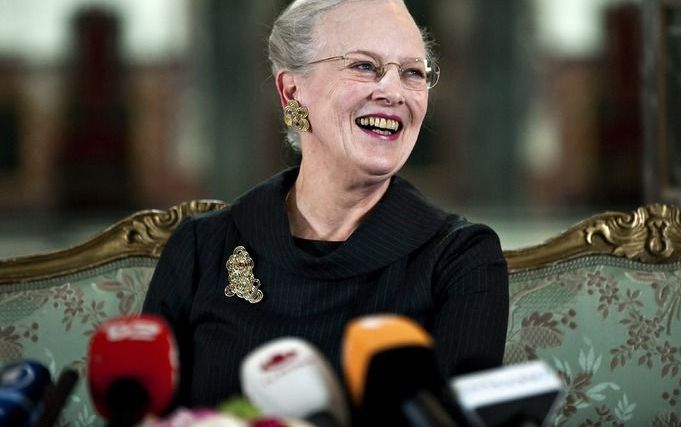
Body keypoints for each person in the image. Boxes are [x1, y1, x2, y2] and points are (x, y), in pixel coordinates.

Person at [143, 0, 509, 416]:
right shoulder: (200, 247)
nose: (392, 92)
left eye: (412, 72)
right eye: (364, 66)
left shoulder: (462, 259)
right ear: (292, 91)